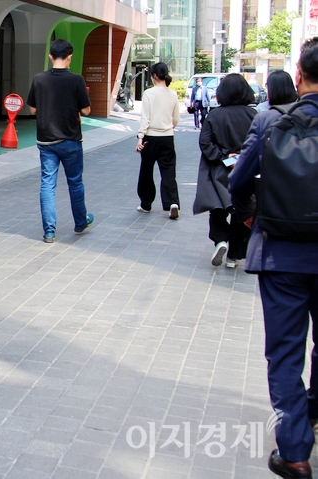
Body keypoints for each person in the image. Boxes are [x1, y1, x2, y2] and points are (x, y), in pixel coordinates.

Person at [230, 37, 318, 479]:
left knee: (284, 355)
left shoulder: (271, 124)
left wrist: (252, 217)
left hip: (281, 255)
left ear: (298, 76)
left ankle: (296, 453)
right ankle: (313, 411)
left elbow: (238, 180)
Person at [26, 39, 94, 244]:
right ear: (69, 57)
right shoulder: (76, 80)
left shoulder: (39, 79)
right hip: (71, 139)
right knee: (75, 183)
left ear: (50, 56)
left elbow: (33, 109)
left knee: (47, 185)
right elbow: (86, 110)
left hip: (46, 141)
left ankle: (49, 232)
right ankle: (81, 221)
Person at [192, 74, 256, 267]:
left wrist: (223, 156)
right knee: (242, 211)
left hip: (218, 170)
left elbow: (204, 142)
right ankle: (234, 256)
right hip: (245, 170)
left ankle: (221, 240)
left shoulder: (214, 115)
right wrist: (241, 157)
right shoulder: (253, 115)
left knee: (218, 208)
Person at [134, 62, 182, 220]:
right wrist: (168, 127)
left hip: (150, 137)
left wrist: (140, 137)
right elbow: (175, 119)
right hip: (168, 137)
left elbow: (145, 119)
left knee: (147, 171)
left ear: (154, 76)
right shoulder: (173, 94)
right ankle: (172, 203)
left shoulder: (149, 93)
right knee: (168, 170)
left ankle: (146, 204)